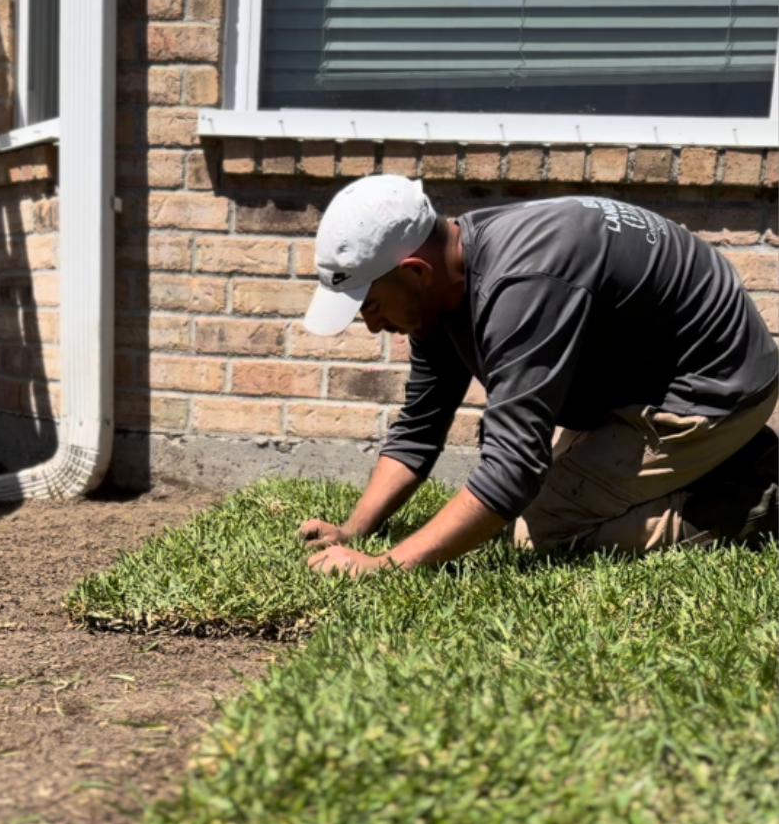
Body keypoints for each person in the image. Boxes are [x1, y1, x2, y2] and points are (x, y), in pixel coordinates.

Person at [295, 175, 779, 576]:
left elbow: (513, 469)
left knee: (536, 533)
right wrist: (353, 530)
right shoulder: (442, 286)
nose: (373, 325)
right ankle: (731, 461)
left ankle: (759, 501)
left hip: (714, 387)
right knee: (509, 514)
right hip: (645, 376)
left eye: (371, 305)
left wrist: (385, 565)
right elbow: (421, 427)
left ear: (416, 271)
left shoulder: (520, 285)